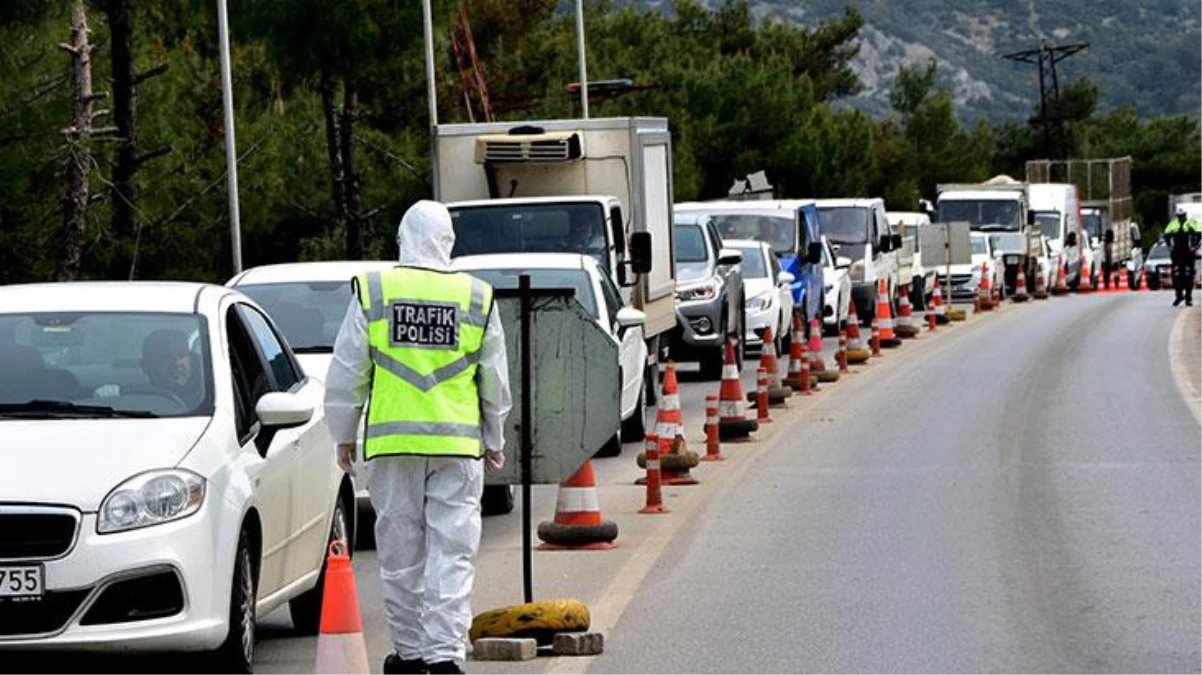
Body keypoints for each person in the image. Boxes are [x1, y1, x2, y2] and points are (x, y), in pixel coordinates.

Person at [323, 200, 512, 675]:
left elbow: (348, 369)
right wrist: (494, 436)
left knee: (401, 554)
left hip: (394, 446)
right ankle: (445, 657)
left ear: (402, 239)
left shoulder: (375, 290)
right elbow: (494, 378)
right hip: (456, 447)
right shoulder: (475, 296)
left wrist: (343, 432)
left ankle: (409, 657)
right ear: (448, 242)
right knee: (452, 552)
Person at [140, 328, 202, 408]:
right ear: (146, 365)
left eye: (182, 355)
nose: (177, 363)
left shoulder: (213, 397)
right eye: (166, 357)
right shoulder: (134, 404)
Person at [1164, 207, 1200, 306]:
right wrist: (1170, 247)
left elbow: (1200, 235)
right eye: (1179, 216)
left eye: (1182, 216)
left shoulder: (1191, 223)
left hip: (1188, 253)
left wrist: (1195, 247)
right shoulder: (1173, 224)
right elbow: (1166, 235)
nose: (1181, 218)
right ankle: (1179, 295)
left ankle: (1188, 297)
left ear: (1185, 215)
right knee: (1175, 274)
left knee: (1189, 274)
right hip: (1177, 253)